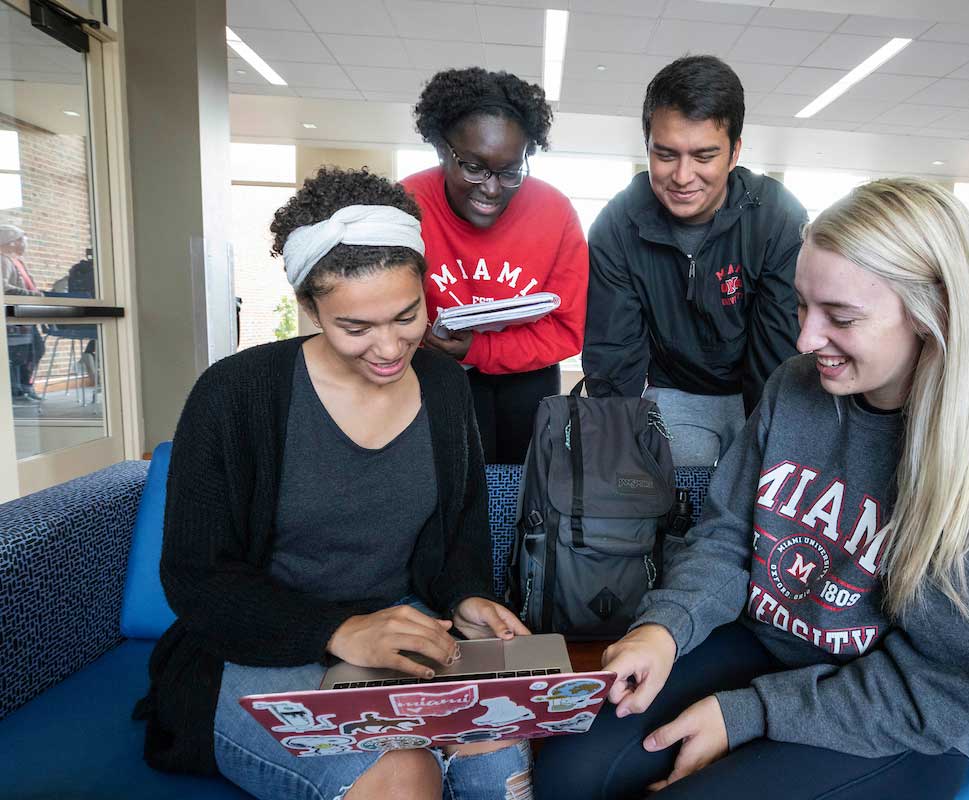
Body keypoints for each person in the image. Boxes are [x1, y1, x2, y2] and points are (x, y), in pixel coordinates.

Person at [535, 178, 969, 799]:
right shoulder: (795, 386)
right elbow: (727, 535)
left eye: (840, 317)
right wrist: (664, 627)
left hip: (896, 715)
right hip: (765, 645)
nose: (805, 340)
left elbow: (939, 690)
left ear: (934, 316)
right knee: (568, 770)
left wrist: (748, 714)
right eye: (801, 306)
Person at [136, 167, 532, 800]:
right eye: (355, 328)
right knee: (404, 776)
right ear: (308, 308)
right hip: (258, 647)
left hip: (407, 640)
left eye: (408, 315)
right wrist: (340, 631)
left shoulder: (446, 387)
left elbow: (459, 537)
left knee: (494, 761)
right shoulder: (236, 394)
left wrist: (465, 600)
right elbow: (196, 575)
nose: (389, 348)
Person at [582, 55, 808, 467]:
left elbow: (780, 353)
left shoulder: (778, 217)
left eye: (704, 156)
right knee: (672, 487)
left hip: (755, 391)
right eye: (666, 155)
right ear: (647, 146)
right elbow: (614, 356)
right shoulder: (617, 224)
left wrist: (771, 450)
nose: (683, 177)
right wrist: (613, 460)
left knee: (760, 484)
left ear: (734, 152)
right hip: (675, 391)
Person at [404, 67, 588, 464]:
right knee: (448, 482)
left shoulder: (555, 212)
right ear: (441, 149)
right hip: (434, 371)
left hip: (529, 378)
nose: (491, 188)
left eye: (510, 171)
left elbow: (567, 331)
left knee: (525, 488)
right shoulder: (406, 205)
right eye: (474, 167)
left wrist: (479, 348)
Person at [1, 224, 45, 401]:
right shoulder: (3, 260)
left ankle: (24, 388)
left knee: (33, 350)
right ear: (11, 242)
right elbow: (3, 287)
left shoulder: (16, 261)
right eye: (21, 239)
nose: (25, 242)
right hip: (15, 318)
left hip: (25, 316)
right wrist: (31, 294)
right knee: (19, 353)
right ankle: (18, 390)